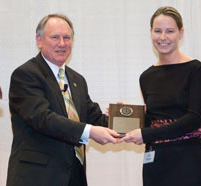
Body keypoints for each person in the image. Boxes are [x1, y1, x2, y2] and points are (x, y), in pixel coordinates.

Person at [6, 14, 119, 186]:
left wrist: (125, 117)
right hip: (37, 178)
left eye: (67, 37)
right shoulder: (26, 75)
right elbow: (42, 118)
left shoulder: (77, 80)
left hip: (74, 177)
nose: (62, 43)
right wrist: (89, 132)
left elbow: (94, 118)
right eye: (55, 37)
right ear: (39, 40)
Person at [119, 6, 201, 186]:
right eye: (158, 31)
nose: (163, 37)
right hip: (156, 160)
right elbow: (154, 120)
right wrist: (127, 115)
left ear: (181, 33)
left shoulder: (197, 70)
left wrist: (146, 134)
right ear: (150, 32)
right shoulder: (146, 77)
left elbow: (193, 119)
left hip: (190, 160)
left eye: (170, 31)